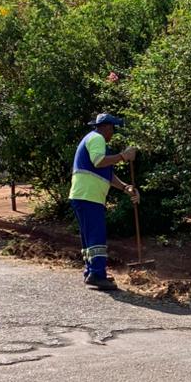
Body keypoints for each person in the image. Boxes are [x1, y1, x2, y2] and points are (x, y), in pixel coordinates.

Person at [70, 113, 138, 291]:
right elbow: (99, 162)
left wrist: (124, 187)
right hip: (88, 196)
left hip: (84, 195)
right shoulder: (97, 139)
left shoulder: (93, 140)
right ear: (106, 127)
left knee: (89, 236)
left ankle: (92, 271)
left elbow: (106, 172)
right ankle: (97, 274)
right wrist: (123, 156)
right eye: (112, 129)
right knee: (96, 234)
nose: (113, 133)